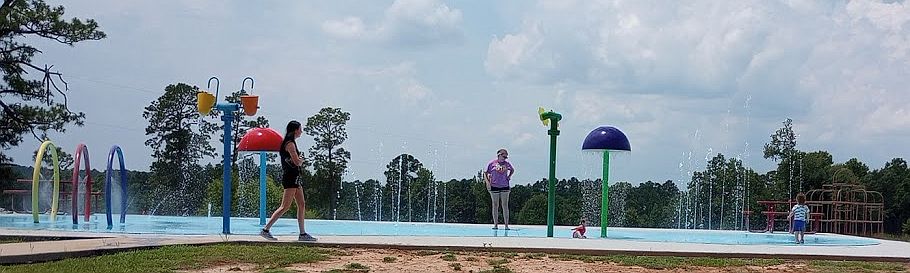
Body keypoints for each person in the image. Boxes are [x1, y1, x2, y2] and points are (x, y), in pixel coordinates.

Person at [260, 121, 317, 242]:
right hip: (290, 178)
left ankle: (302, 233)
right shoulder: (290, 144)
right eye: (300, 129)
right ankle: (265, 229)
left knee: (301, 204)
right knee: (285, 206)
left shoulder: (291, 143)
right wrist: (301, 160)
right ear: (295, 130)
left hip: (295, 178)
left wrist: (298, 160)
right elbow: (296, 162)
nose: (301, 131)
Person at [485, 148, 514, 230]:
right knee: (495, 204)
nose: (505, 158)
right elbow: (486, 172)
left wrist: (509, 176)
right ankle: (495, 224)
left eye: (506, 157)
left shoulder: (507, 164)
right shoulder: (492, 164)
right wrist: (487, 182)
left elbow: (512, 170)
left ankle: (506, 225)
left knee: (505, 205)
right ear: (499, 155)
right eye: (503, 156)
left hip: (504, 185)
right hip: (494, 185)